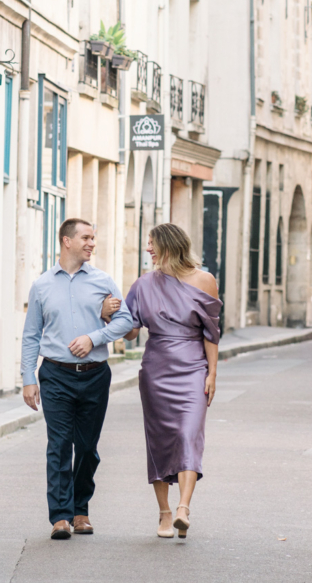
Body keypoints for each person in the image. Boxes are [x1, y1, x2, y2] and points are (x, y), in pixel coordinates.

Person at [21, 217, 134, 540]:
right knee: (59, 445)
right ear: (66, 241)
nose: (91, 243)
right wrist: (28, 377)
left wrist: (94, 337)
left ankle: (81, 509)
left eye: (93, 238)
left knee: (86, 448)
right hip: (55, 374)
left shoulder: (103, 281)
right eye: (85, 237)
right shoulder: (42, 285)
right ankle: (60, 516)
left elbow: (125, 321)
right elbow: (31, 335)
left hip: (95, 376)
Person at [121, 222, 221, 539]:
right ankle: (165, 513)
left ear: (168, 245)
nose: (148, 249)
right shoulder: (143, 284)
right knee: (160, 440)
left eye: (152, 243)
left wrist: (212, 372)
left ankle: (183, 509)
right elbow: (132, 331)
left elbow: (211, 332)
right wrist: (110, 314)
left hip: (193, 368)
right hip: (156, 370)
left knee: (189, 434)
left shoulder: (205, 281)